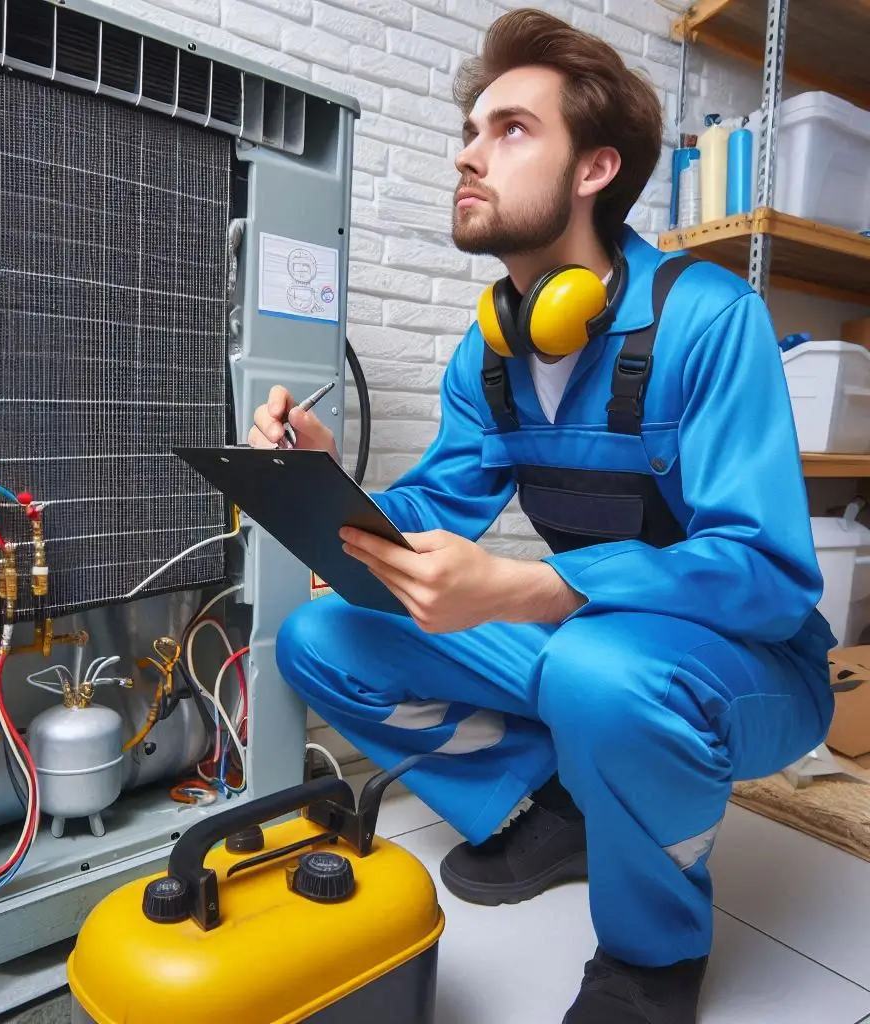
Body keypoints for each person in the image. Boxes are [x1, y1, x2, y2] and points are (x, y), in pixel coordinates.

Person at [248, 9, 835, 1023]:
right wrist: (335, 489)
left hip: (753, 667)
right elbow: (434, 505)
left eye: (510, 129)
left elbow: (769, 574)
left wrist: (544, 585)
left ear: (594, 168)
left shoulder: (706, 316)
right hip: (587, 646)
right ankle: (556, 805)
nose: (469, 156)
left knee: (592, 669)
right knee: (320, 637)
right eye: (470, 133)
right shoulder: (489, 356)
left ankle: (652, 957)